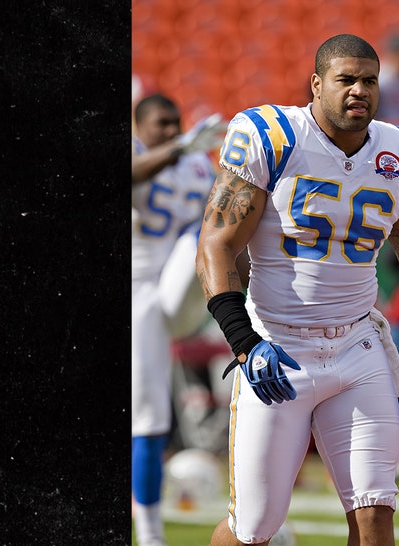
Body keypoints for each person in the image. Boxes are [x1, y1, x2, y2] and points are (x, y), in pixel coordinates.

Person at [196, 34, 399, 546]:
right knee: (255, 527)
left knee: (375, 513)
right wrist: (245, 343)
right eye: (346, 79)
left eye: (370, 80)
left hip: (358, 348)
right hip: (278, 347)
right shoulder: (273, 137)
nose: (360, 90)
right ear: (316, 84)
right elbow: (216, 244)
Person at [131, 93, 223, 546]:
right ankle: (150, 535)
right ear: (138, 125)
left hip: (182, 289)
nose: (171, 130)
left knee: (210, 226)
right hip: (138, 294)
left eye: (176, 123)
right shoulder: (150, 152)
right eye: (161, 123)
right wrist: (179, 148)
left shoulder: (197, 163)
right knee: (149, 418)